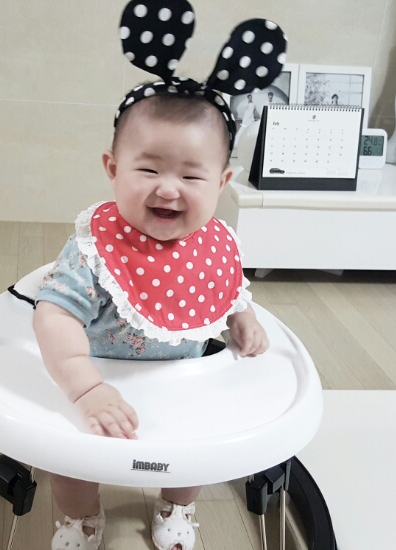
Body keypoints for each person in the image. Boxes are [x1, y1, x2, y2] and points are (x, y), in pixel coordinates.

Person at [33, 92, 270, 550]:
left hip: (183, 386)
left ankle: (176, 505)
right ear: (113, 168)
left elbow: (225, 287)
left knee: (192, 459)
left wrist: (242, 314)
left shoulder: (215, 244)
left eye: (191, 175)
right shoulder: (95, 250)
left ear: (222, 182)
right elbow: (54, 317)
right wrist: (85, 389)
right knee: (72, 466)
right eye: (148, 169)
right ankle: (81, 517)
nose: (168, 189)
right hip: (98, 379)